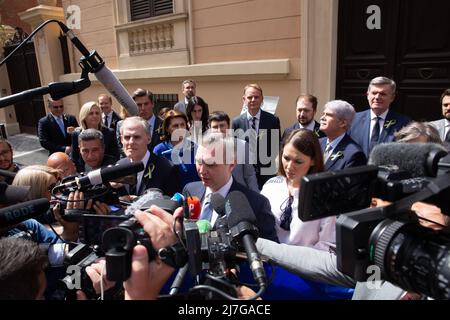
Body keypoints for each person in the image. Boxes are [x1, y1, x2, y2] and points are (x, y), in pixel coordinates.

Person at [183, 132, 279, 242]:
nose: (202, 171)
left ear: (232, 164)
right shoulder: (190, 190)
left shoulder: (256, 204)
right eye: (199, 162)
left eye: (211, 164)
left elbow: (270, 251)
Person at [261, 129, 335, 249]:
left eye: (298, 161)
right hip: (270, 262)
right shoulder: (271, 187)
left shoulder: (325, 196)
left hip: (304, 265)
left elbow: (326, 244)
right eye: (286, 158)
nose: (289, 167)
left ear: (313, 161)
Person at [117, 117, 181, 197]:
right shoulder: (119, 166)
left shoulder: (166, 168)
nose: (131, 142)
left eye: (137, 137)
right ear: (121, 139)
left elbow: (173, 204)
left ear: (149, 138)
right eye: (127, 137)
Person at [232, 84, 281, 189]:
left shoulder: (272, 120)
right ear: (244, 99)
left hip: (267, 173)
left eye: (256, 97)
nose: (253, 100)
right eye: (249, 97)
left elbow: (276, 146)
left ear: (262, 99)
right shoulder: (236, 122)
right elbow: (234, 150)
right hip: (245, 174)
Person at [348, 76, 411, 157]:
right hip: (357, 169)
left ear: (392, 97)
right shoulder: (353, 119)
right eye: (374, 93)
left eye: (383, 94)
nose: (377, 97)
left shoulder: (404, 123)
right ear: (367, 95)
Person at [208, 111, 259, 192]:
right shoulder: (205, 149)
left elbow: (249, 175)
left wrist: (257, 196)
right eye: (215, 127)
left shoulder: (242, 145)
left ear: (228, 127)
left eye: (222, 126)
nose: (219, 130)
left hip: (239, 195)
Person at [153, 110, 200, 188]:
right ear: (167, 129)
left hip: (194, 196)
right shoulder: (159, 150)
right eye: (175, 126)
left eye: (182, 125)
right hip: (170, 197)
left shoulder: (194, 147)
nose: (180, 128)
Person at [71, 101, 119, 172]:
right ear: (84, 116)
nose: (95, 116)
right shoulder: (76, 134)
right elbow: (75, 158)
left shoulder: (109, 132)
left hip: (106, 171)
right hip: (84, 172)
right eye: (91, 113)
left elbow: (115, 155)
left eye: (97, 113)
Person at [319, 100, 367, 171]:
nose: (322, 118)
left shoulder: (354, 154)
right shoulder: (317, 143)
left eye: (328, 115)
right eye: (323, 114)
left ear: (342, 123)